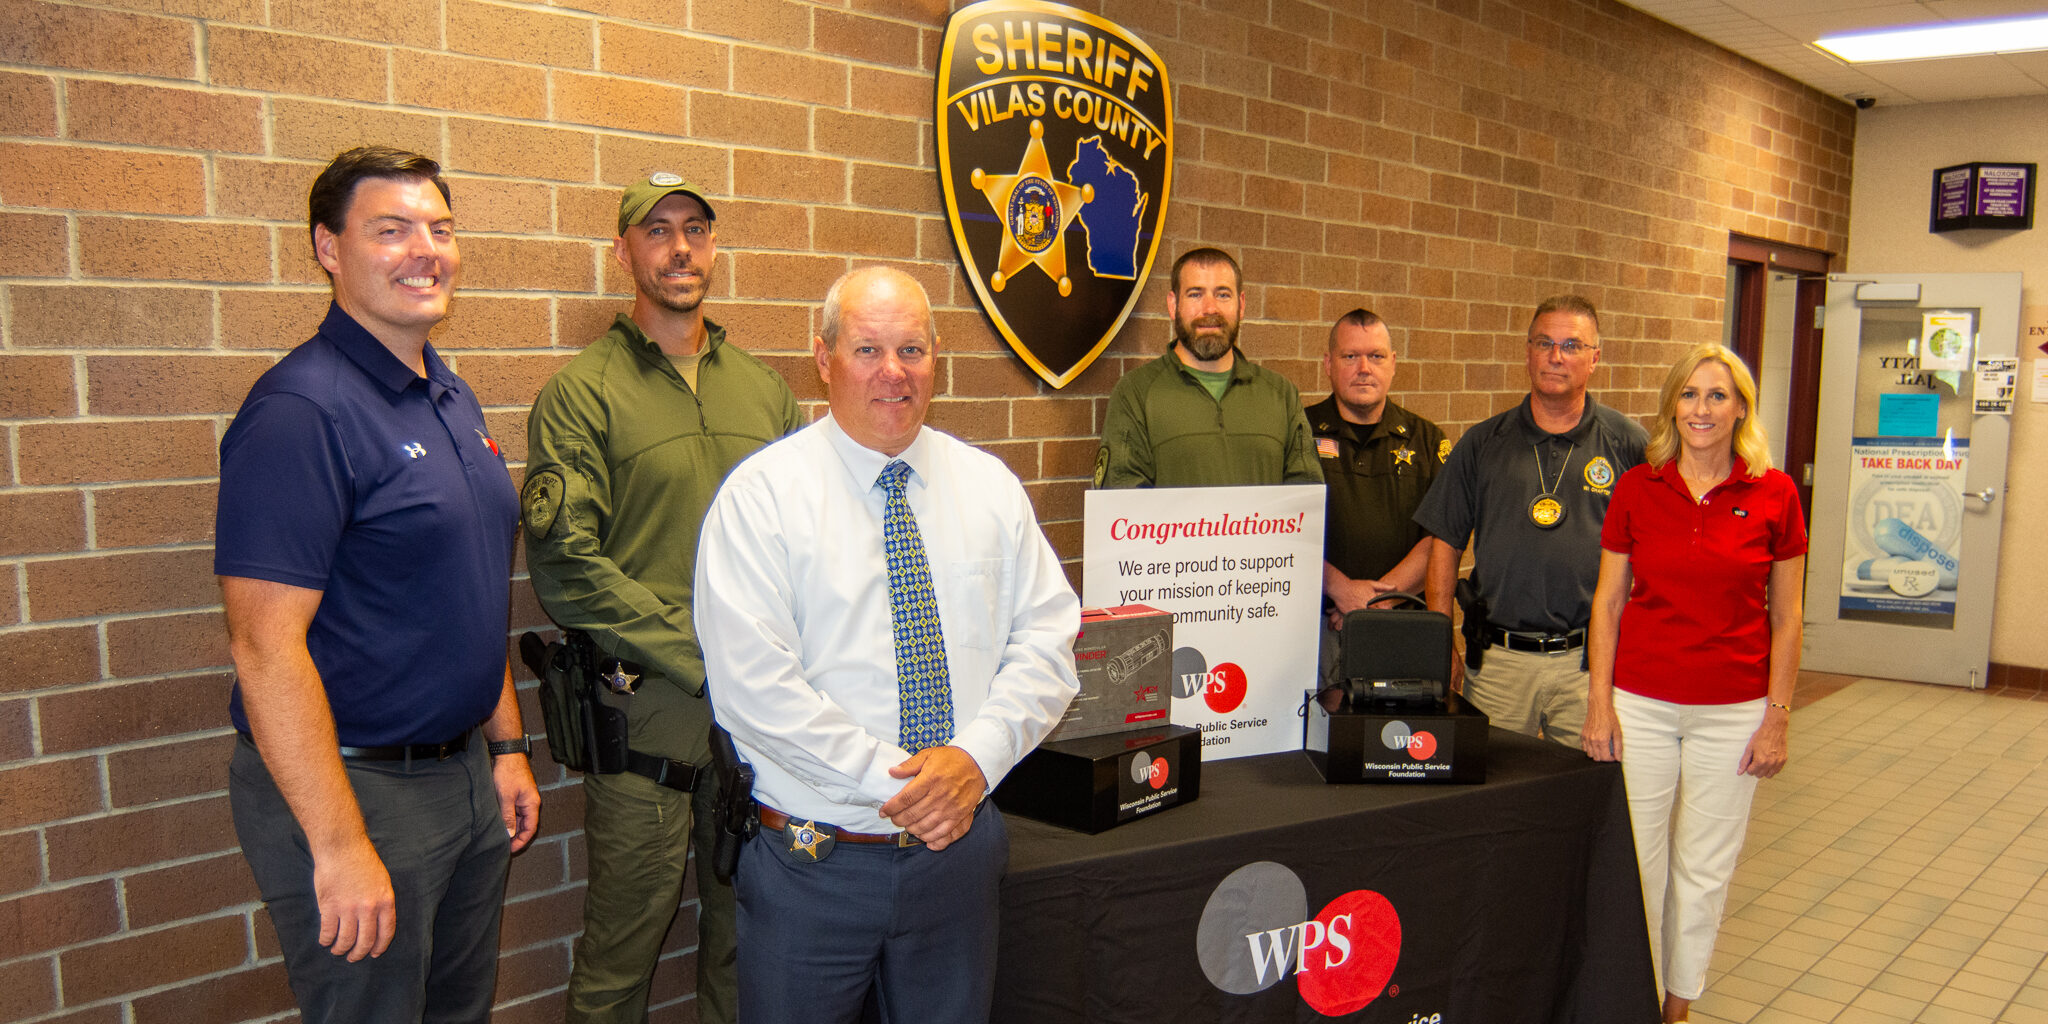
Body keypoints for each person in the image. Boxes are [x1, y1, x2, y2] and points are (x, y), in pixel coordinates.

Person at [695, 266, 1080, 1022]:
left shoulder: (989, 488)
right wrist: (907, 784)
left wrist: (974, 760)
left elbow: (1047, 642)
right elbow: (754, 687)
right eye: (868, 349)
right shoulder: (762, 497)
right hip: (813, 869)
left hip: (957, 864)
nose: (893, 372)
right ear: (823, 356)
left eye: (912, 349)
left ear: (937, 358)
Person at [215, 146, 540, 1024]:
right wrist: (339, 842)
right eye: (390, 230)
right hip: (357, 791)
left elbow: (466, 586)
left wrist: (505, 746)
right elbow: (263, 645)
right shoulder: (300, 412)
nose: (424, 250)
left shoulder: (449, 396)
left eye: (439, 228)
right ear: (328, 247)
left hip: (464, 777)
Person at [524, 173, 798, 1024]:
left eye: (696, 229)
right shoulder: (583, 393)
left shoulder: (765, 391)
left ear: (713, 246)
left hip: (762, 724)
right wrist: (701, 651)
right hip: (648, 720)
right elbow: (566, 566)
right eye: (657, 231)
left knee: (744, 944)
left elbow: (814, 548)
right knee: (621, 959)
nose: (680, 247)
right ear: (624, 252)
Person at [1583, 344, 1805, 1024]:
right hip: (1641, 706)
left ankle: (1676, 1008)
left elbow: (1788, 615)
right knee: (1638, 867)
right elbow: (1608, 602)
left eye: (1717, 396)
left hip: (1732, 712)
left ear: (1740, 407)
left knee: (1704, 872)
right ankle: (1634, 999)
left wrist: (1777, 717)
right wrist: (1599, 703)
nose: (1701, 409)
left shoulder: (1774, 492)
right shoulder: (1638, 487)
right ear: (1671, 406)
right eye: (1689, 395)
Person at [1414, 295, 1646, 748]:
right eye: (1544, 343)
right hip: (1499, 664)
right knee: (1494, 795)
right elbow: (1444, 545)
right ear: (1527, 352)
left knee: (1586, 793)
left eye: (1572, 345)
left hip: (1590, 664)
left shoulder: (1629, 446)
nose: (1556, 356)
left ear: (1595, 358)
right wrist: (1441, 643)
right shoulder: (1483, 443)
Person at [1094, 247, 1322, 488]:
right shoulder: (1135, 394)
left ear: (1241, 305)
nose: (1210, 308)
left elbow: (1305, 499)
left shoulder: (1281, 394)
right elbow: (1124, 501)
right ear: (1173, 305)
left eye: (1223, 295)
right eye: (1195, 294)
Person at [1310, 309, 1447, 649]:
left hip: (1404, 629)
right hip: (1317, 630)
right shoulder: (1298, 432)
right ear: (1329, 363)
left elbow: (1442, 539)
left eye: (1376, 356)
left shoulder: (1427, 440)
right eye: (1350, 356)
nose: (1364, 369)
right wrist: (1341, 590)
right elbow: (1281, 529)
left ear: (1394, 363)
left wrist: (1375, 603)